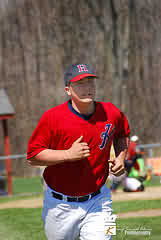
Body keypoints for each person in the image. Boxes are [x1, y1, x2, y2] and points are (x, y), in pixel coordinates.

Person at [27, 64, 130, 240]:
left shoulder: (111, 112)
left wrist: (121, 157)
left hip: (100, 200)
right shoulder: (52, 117)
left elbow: (122, 134)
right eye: (80, 83)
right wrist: (67, 154)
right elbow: (33, 156)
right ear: (68, 90)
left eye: (90, 82)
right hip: (59, 205)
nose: (88, 88)